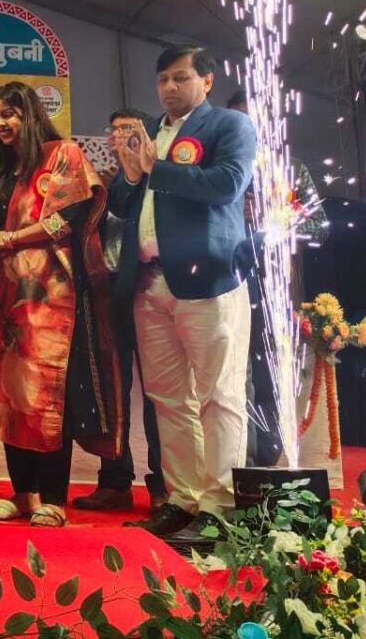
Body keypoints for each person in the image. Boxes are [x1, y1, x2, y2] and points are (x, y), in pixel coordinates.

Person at [0, 82, 122, 528]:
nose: (1, 123)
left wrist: (11, 238)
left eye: (10, 113)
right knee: (7, 392)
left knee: (47, 393)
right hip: (7, 296)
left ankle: (53, 499)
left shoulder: (63, 154)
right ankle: (22, 494)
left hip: (53, 297)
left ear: (32, 114)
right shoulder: (6, 169)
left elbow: (69, 218)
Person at [109, 45, 255, 542]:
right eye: (162, 80)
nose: (169, 87)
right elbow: (121, 203)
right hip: (149, 281)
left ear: (207, 81)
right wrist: (132, 174)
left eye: (181, 77)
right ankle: (183, 499)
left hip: (208, 279)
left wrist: (157, 169)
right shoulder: (149, 130)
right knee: (168, 399)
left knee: (219, 395)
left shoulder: (229, 126)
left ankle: (221, 505)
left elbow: (228, 185)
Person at [225, 89, 327, 468]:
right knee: (232, 377)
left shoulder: (291, 169)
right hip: (224, 285)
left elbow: (318, 227)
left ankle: (266, 461)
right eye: (238, 119)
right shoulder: (218, 165)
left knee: (269, 376)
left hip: (275, 288)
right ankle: (238, 462)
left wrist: (273, 218)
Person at [72, 107, 167, 512]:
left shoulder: (159, 177)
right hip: (106, 292)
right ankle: (114, 480)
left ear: (145, 136)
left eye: (128, 128)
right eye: (113, 130)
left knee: (160, 393)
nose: (119, 135)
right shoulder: (98, 183)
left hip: (148, 287)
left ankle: (165, 484)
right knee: (111, 389)